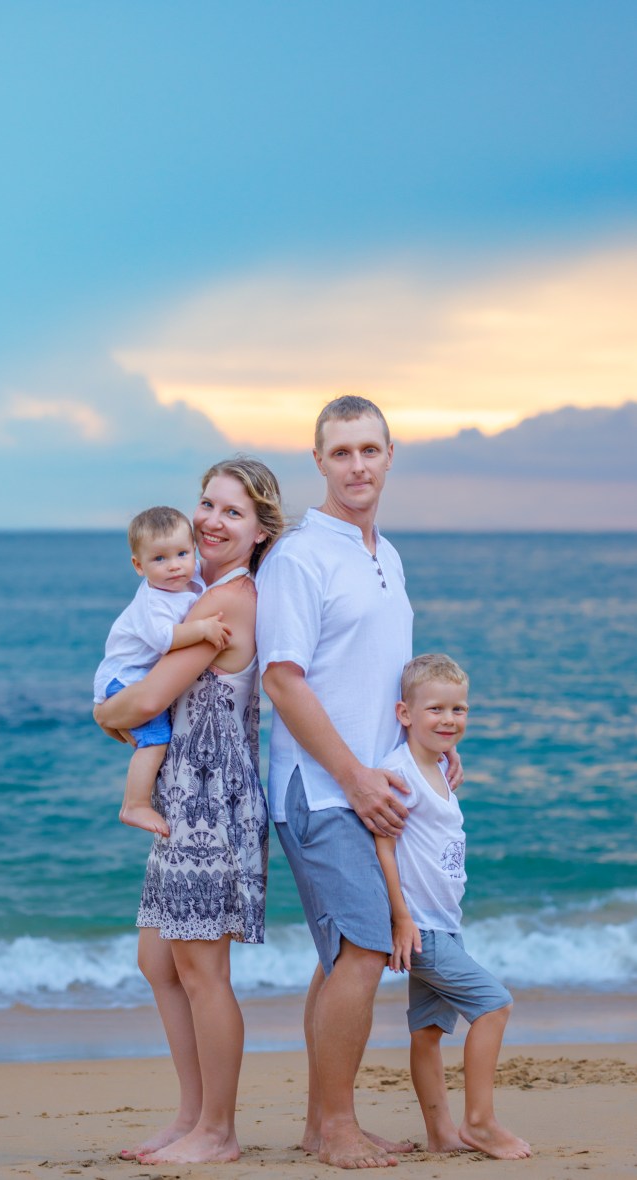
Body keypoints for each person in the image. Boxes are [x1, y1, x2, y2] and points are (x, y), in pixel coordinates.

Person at [256, 394, 461, 1170]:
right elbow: (282, 681)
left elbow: (380, 678)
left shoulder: (387, 555)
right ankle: (338, 1130)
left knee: (341, 955)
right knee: (367, 950)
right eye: (340, 452)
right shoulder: (300, 557)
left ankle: (322, 1124)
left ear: (389, 455)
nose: (356, 466)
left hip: (376, 787)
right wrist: (352, 777)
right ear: (318, 461)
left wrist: (425, 748)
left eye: (368, 450)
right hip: (319, 789)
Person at [94, 457, 283, 1165]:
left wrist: (100, 711)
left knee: (203, 973)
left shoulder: (231, 600)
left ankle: (219, 1131)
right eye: (207, 503)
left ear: (260, 532)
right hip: (182, 796)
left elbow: (144, 700)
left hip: (212, 804)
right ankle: (190, 1116)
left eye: (233, 512)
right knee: (159, 962)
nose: (211, 520)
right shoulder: (191, 593)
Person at [375, 654, 530, 1160]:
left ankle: (441, 1135)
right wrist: (401, 918)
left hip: (445, 923)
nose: (448, 719)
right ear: (404, 714)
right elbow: (383, 847)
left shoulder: (440, 765)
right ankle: (479, 1122)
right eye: (436, 709)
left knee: (427, 1032)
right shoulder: (399, 773)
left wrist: (446, 751)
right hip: (421, 928)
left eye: (458, 709)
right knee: (494, 1005)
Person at [93, 505, 230, 837]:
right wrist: (202, 629)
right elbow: (164, 640)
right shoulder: (154, 601)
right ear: (139, 566)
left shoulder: (190, 578)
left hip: (134, 675)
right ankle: (134, 804)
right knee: (155, 740)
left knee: (148, 735)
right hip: (125, 677)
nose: (174, 565)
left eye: (182, 553)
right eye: (159, 559)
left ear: (194, 550)